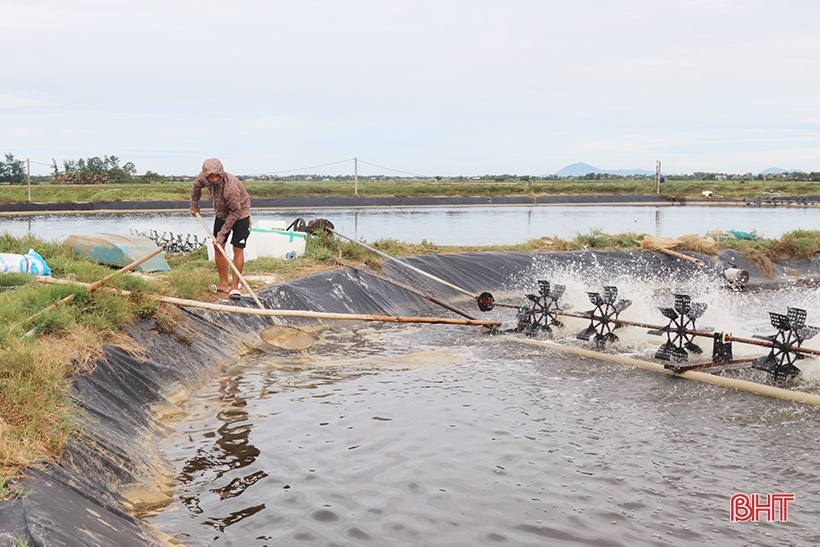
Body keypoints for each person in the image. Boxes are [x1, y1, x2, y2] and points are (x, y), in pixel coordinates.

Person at [189, 158, 251, 299]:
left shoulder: (231, 187)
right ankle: (223, 284)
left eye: (217, 176)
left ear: (221, 172)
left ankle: (234, 287)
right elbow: (196, 189)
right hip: (221, 213)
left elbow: (235, 212)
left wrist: (222, 234)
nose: (215, 179)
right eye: (211, 177)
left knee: (237, 248)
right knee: (218, 246)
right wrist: (194, 206)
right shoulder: (202, 177)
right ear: (205, 175)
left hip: (240, 213)